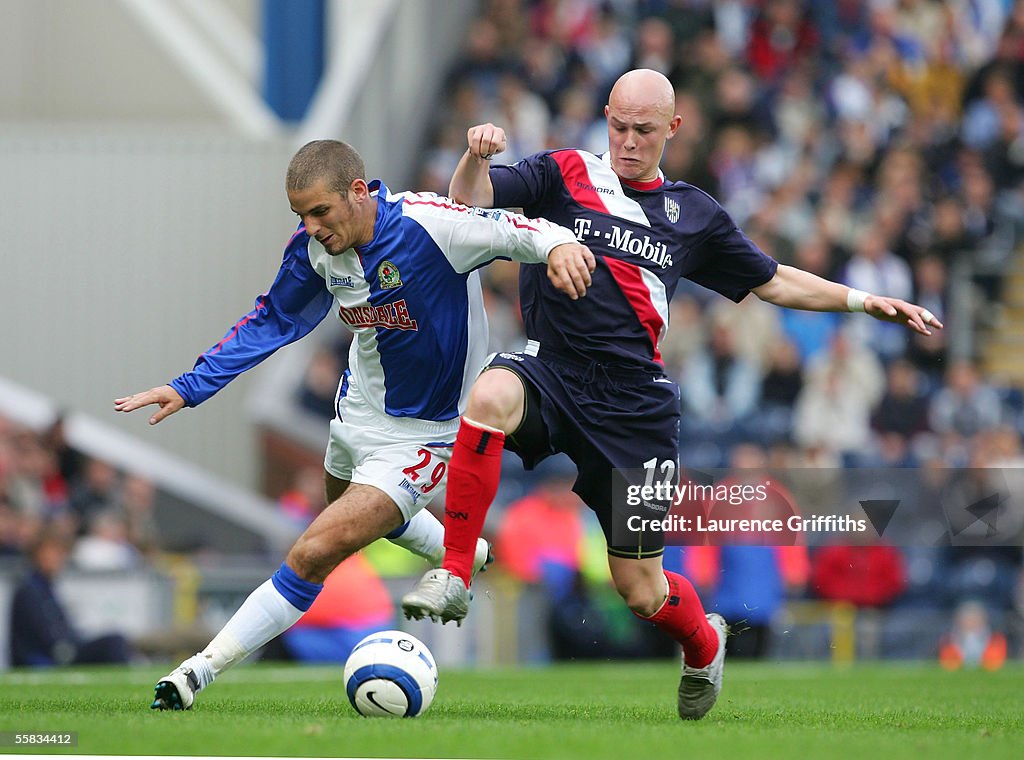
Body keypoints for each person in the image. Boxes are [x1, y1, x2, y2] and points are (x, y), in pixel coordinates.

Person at [400, 69, 942, 720]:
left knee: (639, 586)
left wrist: (862, 301)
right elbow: (470, 201)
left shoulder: (695, 215)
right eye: (619, 126)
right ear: (606, 117)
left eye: (645, 131)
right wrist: (475, 155)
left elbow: (772, 281)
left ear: (673, 129)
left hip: (635, 407)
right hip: (553, 369)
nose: (628, 141)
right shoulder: (561, 173)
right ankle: (455, 572)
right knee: (488, 395)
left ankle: (704, 642)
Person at [114, 139, 593, 710]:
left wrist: (560, 242)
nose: (312, 227)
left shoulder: (429, 226)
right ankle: (460, 548)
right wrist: (189, 387)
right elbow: (273, 319)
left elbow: (516, 230)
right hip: (356, 413)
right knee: (350, 512)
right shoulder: (316, 250)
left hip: (426, 434)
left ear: (359, 192)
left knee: (318, 548)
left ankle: (197, 672)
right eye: (301, 215)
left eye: (320, 212)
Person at [9, 528, 133, 666]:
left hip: (61, 650)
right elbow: (47, 636)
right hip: (46, 658)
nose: (57, 559)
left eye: (60, 553)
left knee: (114, 640)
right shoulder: (29, 590)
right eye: (52, 553)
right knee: (114, 643)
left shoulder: (45, 587)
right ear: (37, 555)